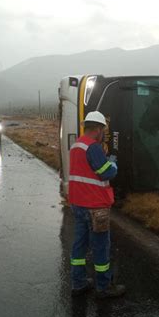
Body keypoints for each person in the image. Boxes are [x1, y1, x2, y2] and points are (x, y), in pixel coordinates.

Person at [68, 111, 126, 299]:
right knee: (100, 246)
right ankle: (103, 287)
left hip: (78, 203)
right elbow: (105, 173)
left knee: (79, 245)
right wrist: (113, 165)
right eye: (103, 130)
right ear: (99, 129)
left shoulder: (77, 145)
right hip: (95, 206)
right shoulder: (93, 147)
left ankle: (78, 283)